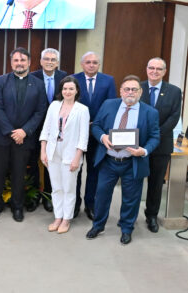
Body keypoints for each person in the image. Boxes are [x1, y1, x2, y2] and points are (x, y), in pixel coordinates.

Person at [86, 75, 160, 245]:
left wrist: (144, 150)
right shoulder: (108, 105)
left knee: (131, 199)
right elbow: (96, 125)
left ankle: (127, 229)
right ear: (120, 91)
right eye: (127, 89)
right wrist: (103, 137)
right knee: (102, 195)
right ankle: (98, 225)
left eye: (134, 89)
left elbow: (155, 137)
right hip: (108, 161)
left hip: (132, 163)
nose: (130, 92)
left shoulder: (150, 112)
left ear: (140, 92)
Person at [0, 48, 47, 222]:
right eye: (16, 60)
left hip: (24, 138)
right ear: (11, 63)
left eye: (23, 60)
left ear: (29, 62)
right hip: (2, 137)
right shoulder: (1, 81)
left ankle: (17, 206)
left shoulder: (38, 83)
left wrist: (24, 131)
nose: (19, 63)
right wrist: (10, 131)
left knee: (19, 173)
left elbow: (40, 110)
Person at [39, 76, 89, 234]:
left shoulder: (82, 109)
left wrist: (77, 157)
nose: (67, 91)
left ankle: (66, 219)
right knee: (56, 187)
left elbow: (83, 137)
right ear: (61, 90)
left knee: (69, 188)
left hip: (70, 153)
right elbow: (46, 128)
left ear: (76, 91)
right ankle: (58, 217)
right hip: (53, 151)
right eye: (65, 89)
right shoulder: (54, 106)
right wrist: (43, 150)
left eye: (71, 89)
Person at [72, 51, 117, 219]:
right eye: (88, 62)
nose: (92, 65)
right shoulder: (73, 79)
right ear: (82, 64)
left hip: (98, 134)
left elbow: (111, 105)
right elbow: (69, 102)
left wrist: (96, 124)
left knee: (94, 170)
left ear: (99, 65)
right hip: (76, 133)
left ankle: (90, 204)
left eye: (95, 62)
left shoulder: (108, 80)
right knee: (75, 169)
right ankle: (74, 204)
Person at [140, 58, 181, 233]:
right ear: (146, 69)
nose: (154, 71)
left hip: (161, 145)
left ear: (164, 72)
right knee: (133, 182)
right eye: (151, 68)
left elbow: (174, 117)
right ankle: (129, 216)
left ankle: (151, 215)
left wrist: (155, 136)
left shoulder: (174, 91)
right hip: (138, 144)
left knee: (156, 183)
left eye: (159, 69)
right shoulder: (137, 87)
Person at [28, 48, 68, 213]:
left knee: (53, 162)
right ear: (41, 61)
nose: (50, 62)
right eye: (47, 59)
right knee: (33, 162)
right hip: (35, 127)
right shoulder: (32, 77)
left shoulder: (65, 78)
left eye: (53, 59)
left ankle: (49, 196)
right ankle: (33, 195)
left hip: (56, 130)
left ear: (57, 62)